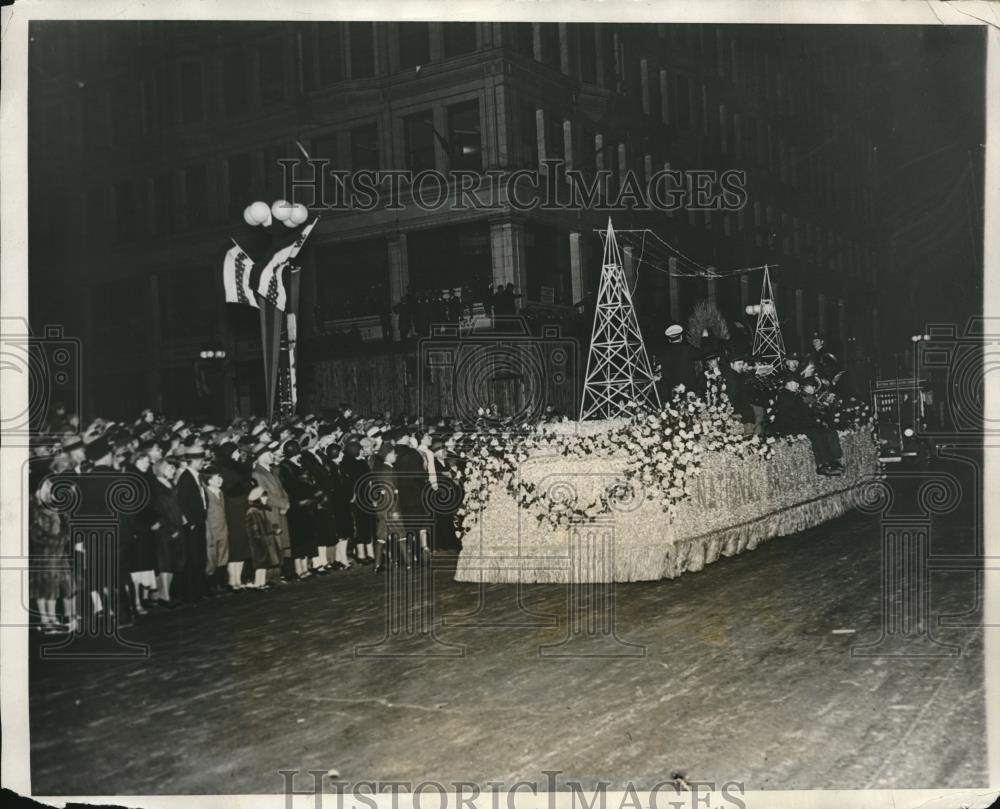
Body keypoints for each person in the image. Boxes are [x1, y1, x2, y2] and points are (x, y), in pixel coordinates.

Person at [29, 462, 75, 633]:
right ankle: (46, 620)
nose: (51, 486)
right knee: (45, 587)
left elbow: (67, 525)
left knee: (57, 586)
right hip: (45, 553)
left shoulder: (54, 504)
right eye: (48, 484)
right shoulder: (35, 508)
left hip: (59, 553)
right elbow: (36, 534)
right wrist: (55, 540)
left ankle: (53, 619)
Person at [215, 442, 252, 590]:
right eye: (236, 451)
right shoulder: (225, 469)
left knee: (242, 543)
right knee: (235, 543)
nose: (239, 454)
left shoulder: (236, 466)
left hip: (241, 506)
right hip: (233, 509)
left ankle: (238, 578)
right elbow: (233, 488)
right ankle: (232, 579)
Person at [175, 446, 209, 602]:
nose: (203, 462)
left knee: (200, 556)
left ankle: (199, 590)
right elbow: (182, 502)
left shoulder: (196, 476)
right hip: (193, 524)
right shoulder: (185, 478)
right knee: (193, 557)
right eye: (201, 460)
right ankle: (192, 593)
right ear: (194, 460)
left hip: (200, 520)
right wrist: (191, 521)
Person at [150, 456, 186, 606]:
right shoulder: (157, 487)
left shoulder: (170, 484)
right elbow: (159, 511)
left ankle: (166, 593)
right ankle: (164, 595)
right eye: (170, 468)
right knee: (165, 563)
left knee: (173, 562)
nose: (173, 471)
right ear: (162, 469)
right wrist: (170, 528)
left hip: (176, 526)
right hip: (165, 530)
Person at [245, 486, 283, 589]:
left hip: (265, 540)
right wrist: (259, 538)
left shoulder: (261, 510)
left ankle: (262, 583)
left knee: (263, 564)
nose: (266, 499)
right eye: (263, 497)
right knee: (260, 564)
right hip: (258, 542)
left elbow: (267, 525)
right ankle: (258, 583)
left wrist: (274, 530)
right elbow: (253, 529)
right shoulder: (253, 511)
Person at [370, 442, 398, 573]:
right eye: (393, 453)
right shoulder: (387, 470)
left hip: (383, 506)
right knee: (384, 535)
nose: (395, 455)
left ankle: (379, 564)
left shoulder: (383, 468)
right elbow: (389, 492)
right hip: (388, 507)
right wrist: (393, 509)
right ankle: (379, 564)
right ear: (387, 455)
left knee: (383, 534)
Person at [201, 464, 230, 592]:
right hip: (211, 531)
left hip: (222, 529)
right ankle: (210, 586)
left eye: (221, 477)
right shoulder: (205, 493)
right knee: (211, 558)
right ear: (209, 480)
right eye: (217, 477)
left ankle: (220, 583)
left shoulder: (220, 492)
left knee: (222, 556)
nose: (221, 480)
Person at [656, 324, 698, 402]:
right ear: (681, 337)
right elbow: (703, 352)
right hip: (690, 391)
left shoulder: (664, 354)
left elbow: (665, 375)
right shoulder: (688, 349)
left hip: (673, 393)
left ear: (669, 339)